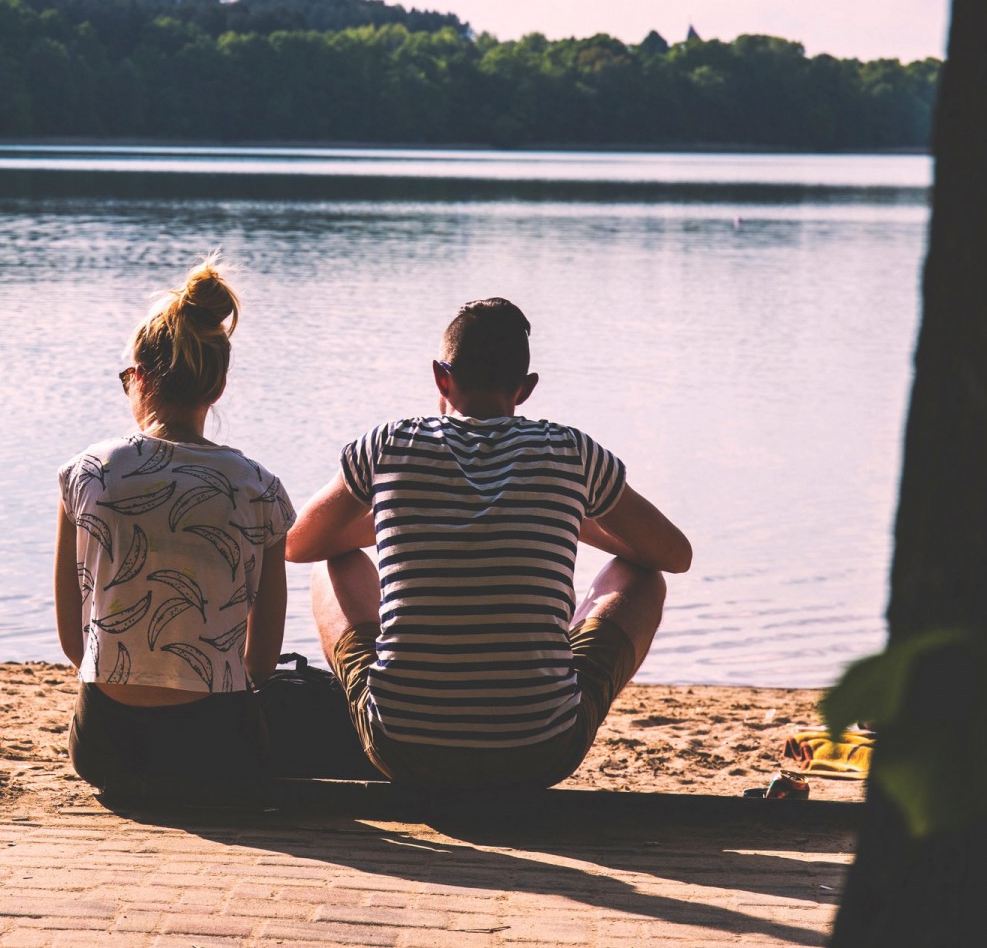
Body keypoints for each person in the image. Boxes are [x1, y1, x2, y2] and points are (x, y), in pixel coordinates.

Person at [286, 298, 692, 791]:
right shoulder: (570, 452)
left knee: (332, 562)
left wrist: (406, 510)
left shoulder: (389, 444)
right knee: (642, 575)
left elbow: (300, 543)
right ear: (525, 389)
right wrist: (568, 510)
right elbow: (674, 555)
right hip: (541, 751)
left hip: (402, 747)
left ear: (441, 377)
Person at [54, 255, 294, 789]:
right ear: (218, 386)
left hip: (105, 746)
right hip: (217, 748)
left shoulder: (87, 472)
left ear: (138, 379)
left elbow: (76, 644)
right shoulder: (260, 487)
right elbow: (261, 661)